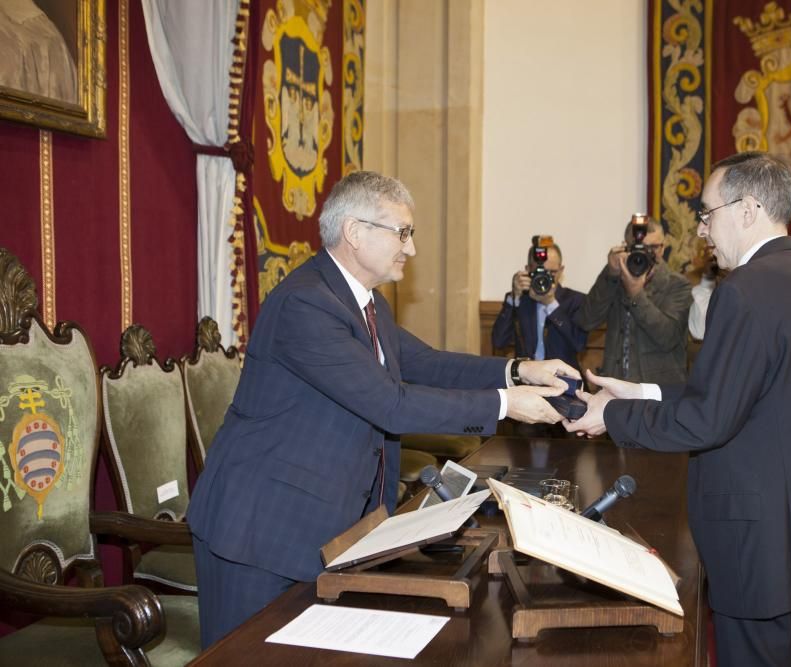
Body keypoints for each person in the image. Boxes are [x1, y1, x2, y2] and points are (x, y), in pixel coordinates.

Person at [186, 171, 578, 648]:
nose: (410, 249)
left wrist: (520, 370)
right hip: (259, 529)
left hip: (326, 522)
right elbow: (389, 405)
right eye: (403, 233)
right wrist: (506, 405)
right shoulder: (306, 304)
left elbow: (428, 364)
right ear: (355, 231)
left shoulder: (367, 304)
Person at [566, 151, 791, 667]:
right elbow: (758, 396)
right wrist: (639, 392)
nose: (703, 230)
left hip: (764, 543)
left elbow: (710, 420)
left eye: (708, 213)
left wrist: (610, 415)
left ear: (747, 209)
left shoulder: (746, 291)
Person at [574, 218, 692, 384]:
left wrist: (636, 294)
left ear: (663, 247)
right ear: (626, 247)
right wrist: (610, 274)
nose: (649, 254)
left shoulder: (677, 285)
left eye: (654, 247)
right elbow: (586, 320)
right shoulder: (615, 279)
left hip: (658, 395)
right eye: (641, 249)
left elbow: (668, 337)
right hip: (614, 389)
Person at [491, 239, 588, 369]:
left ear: (561, 270)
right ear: (527, 270)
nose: (545, 279)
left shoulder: (575, 300)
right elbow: (499, 342)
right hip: (526, 381)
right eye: (539, 273)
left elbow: (579, 344)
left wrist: (551, 304)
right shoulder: (521, 301)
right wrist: (514, 298)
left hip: (563, 381)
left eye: (551, 273)